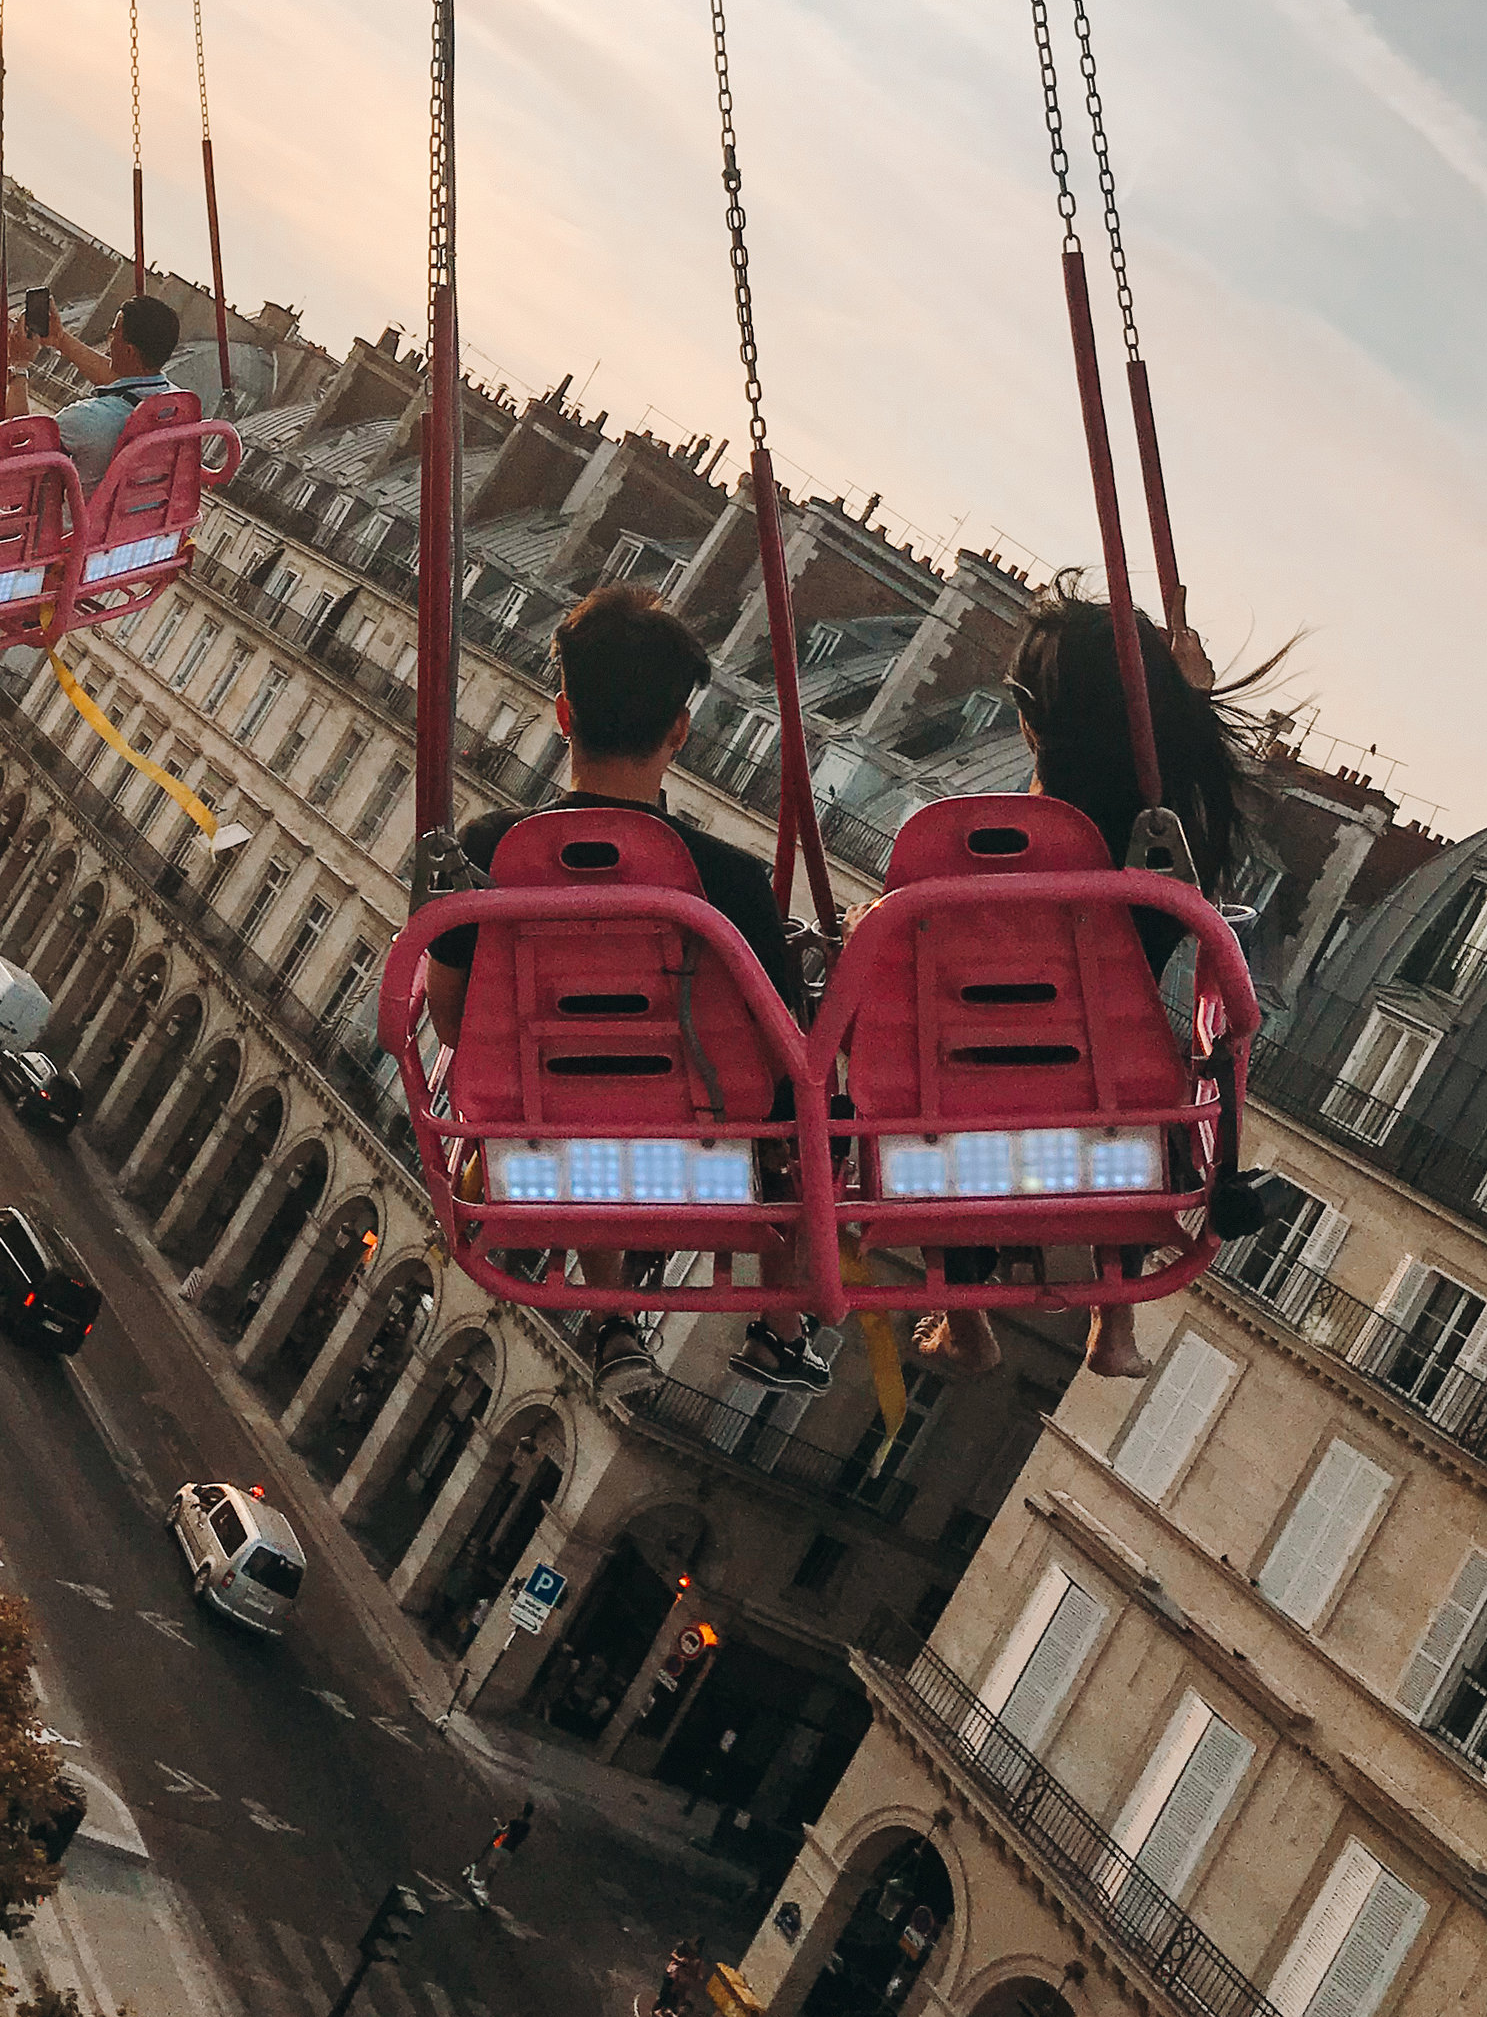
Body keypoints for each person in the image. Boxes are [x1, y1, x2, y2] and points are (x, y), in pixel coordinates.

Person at [421, 585, 833, 1400]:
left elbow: (451, 1016)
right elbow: (784, 1058)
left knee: (569, 1090)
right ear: (678, 731)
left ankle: (611, 1317)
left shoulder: (489, 849)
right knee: (803, 1108)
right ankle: (782, 1326)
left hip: (544, 1156)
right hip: (700, 1169)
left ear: (562, 714)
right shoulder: (733, 881)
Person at [911, 575, 1263, 1384]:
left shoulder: (978, 850)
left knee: (957, 1089)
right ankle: (1115, 1320)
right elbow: (1178, 786)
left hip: (976, 1109)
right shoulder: (1162, 855)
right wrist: (1187, 701)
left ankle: (964, 1308)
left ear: (1033, 723)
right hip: (1110, 1115)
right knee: (1139, 1075)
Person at [7, 289, 183, 484]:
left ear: (129, 350)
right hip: (144, 513)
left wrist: (20, 364)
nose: (108, 337)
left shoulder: (89, 419)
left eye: (114, 333)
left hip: (74, 514)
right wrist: (60, 339)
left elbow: (17, 445)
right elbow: (119, 378)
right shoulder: (178, 406)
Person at [463, 1796, 533, 1903]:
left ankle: (485, 1891)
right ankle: (483, 1885)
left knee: (491, 1869)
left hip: (502, 1849)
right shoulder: (527, 1828)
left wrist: (497, 1823)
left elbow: (502, 1831)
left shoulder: (514, 1822)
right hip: (510, 1853)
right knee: (494, 1871)